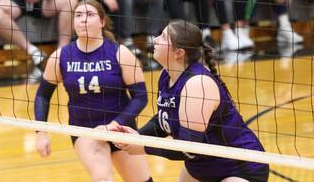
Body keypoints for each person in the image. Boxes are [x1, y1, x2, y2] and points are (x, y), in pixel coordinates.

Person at [111, 20, 269, 182]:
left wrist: (143, 146)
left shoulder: (197, 84)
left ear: (179, 53)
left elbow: (188, 148)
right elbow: (164, 120)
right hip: (202, 166)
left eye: (164, 37)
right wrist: (138, 136)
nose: (156, 39)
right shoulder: (167, 75)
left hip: (239, 167)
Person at [35, 0, 150, 181]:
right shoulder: (61, 57)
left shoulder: (120, 53)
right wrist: (40, 132)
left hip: (121, 129)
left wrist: (114, 125)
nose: (83, 20)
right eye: (78, 15)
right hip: (86, 132)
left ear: (102, 22)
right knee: (102, 179)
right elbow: (42, 95)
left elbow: (141, 97)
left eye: (90, 15)